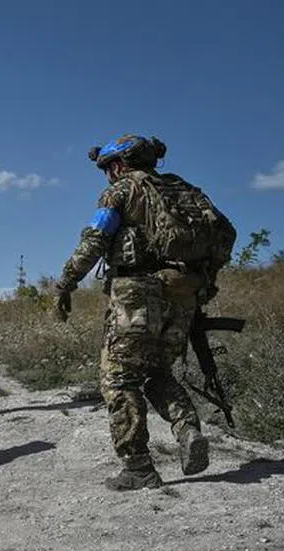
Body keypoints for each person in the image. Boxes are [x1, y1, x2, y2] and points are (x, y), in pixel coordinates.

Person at [52, 134, 236, 491]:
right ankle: (187, 429)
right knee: (155, 370)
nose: (107, 175)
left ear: (118, 165)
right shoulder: (185, 189)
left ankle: (137, 467)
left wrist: (65, 283)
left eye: (107, 168)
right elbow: (225, 234)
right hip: (183, 294)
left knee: (119, 378)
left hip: (137, 293)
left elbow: (93, 241)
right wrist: (203, 283)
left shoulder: (120, 192)